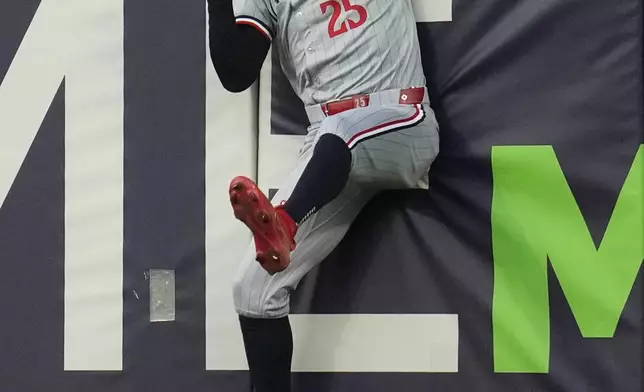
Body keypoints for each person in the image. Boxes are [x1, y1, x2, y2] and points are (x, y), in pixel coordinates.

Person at [208, 0, 440, 390]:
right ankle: (283, 225)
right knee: (253, 289)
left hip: (401, 117)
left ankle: (283, 221)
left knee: (342, 133)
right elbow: (235, 72)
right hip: (329, 144)